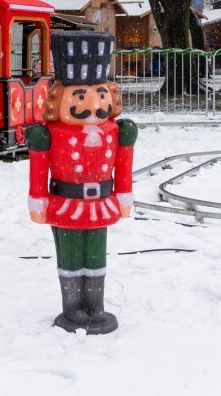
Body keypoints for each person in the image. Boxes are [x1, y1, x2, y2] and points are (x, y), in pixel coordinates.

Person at [27, 31, 136, 336]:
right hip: (67, 203)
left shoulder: (113, 131)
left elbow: (122, 165)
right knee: (71, 256)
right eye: (80, 96)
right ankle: (72, 308)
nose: (92, 105)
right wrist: (38, 199)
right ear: (60, 100)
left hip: (100, 203)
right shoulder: (52, 134)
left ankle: (95, 306)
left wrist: (123, 193)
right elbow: (40, 168)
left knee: (96, 255)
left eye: (101, 95)